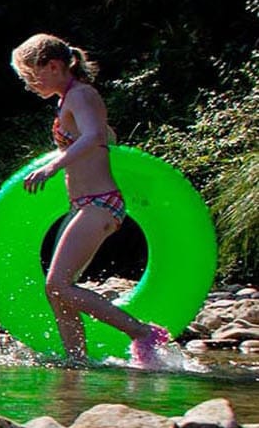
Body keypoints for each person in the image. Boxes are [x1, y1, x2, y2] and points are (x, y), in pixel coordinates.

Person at [13, 33, 177, 368]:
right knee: (57, 289)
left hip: (101, 203)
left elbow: (95, 136)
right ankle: (77, 362)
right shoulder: (68, 100)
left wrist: (53, 165)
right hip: (85, 204)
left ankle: (143, 333)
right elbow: (108, 137)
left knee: (57, 284)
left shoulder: (82, 94)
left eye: (33, 75)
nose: (30, 84)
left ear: (55, 65)